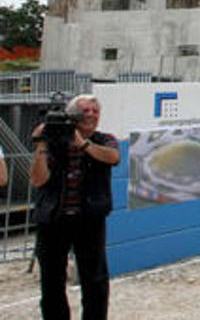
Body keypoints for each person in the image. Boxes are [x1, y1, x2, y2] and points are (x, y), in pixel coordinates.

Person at [30, 94, 121, 320]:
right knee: (51, 281)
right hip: (53, 218)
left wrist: (84, 144)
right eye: (85, 111)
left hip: (89, 219)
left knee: (95, 280)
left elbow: (113, 157)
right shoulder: (54, 142)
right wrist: (41, 144)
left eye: (95, 111)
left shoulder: (104, 139)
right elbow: (38, 180)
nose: (91, 115)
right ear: (72, 116)